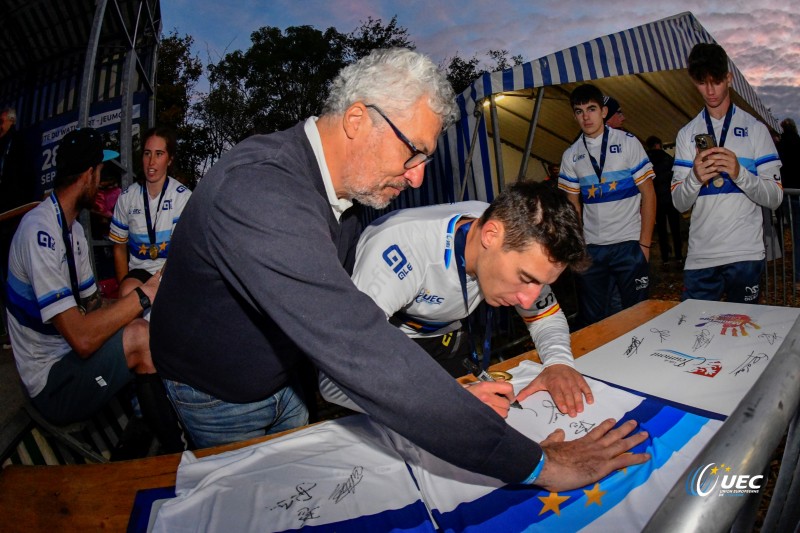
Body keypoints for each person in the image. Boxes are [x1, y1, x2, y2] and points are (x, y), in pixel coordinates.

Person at [150, 48, 649, 490]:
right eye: (415, 153)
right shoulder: (261, 192)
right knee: (250, 507)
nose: (417, 178)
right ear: (358, 119)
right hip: (221, 394)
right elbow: (357, 348)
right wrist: (538, 464)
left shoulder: (346, 189)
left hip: (287, 378)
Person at [323, 181, 593, 419]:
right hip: (387, 347)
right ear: (490, 236)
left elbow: (546, 316)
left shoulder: (515, 232)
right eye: (525, 277)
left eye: (542, 283)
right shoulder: (399, 251)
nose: (529, 298)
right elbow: (332, 381)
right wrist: (443, 403)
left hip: (447, 338)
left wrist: (559, 363)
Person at [4, 128, 184, 453]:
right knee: (140, 336)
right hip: (52, 384)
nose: (101, 182)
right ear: (88, 175)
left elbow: (97, 306)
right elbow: (83, 339)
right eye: (100, 172)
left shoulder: (71, 232)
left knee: (141, 323)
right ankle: (178, 455)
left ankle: (158, 436)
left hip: (69, 360)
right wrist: (147, 293)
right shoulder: (39, 231)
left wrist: (137, 302)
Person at [672, 43, 782, 303]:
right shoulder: (687, 134)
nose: (710, 90)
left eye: (717, 81)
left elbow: (775, 198)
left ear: (729, 79)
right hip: (701, 257)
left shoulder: (755, 129)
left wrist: (740, 173)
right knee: (694, 336)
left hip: (745, 255)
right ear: (693, 81)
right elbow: (679, 203)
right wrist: (694, 178)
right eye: (702, 82)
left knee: (743, 337)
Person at [558, 84, 656, 327]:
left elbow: (649, 195)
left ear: (603, 111)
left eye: (591, 109)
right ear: (574, 116)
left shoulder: (628, 142)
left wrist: (644, 243)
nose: (586, 117)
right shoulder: (570, 155)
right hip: (593, 249)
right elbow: (572, 208)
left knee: (637, 316)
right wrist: (578, 249)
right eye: (579, 111)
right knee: (594, 321)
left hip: (628, 244)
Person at [109, 127, 191, 298]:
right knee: (127, 291)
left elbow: (181, 252)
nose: (151, 161)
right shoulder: (127, 197)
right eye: (147, 153)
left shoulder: (182, 197)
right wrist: (124, 287)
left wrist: (158, 282)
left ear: (170, 160)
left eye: (159, 154)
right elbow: (119, 248)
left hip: (172, 271)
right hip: (140, 272)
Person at [646, 135, 683, 264]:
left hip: (656, 201)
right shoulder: (667, 158)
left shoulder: (646, 160)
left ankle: (665, 258)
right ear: (658, 145)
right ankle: (678, 256)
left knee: (661, 230)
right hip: (670, 198)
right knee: (675, 229)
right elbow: (676, 174)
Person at [777, 118, 800, 280]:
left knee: (796, 236)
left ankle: (798, 272)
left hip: (786, 193)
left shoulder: (778, 147)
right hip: (796, 191)